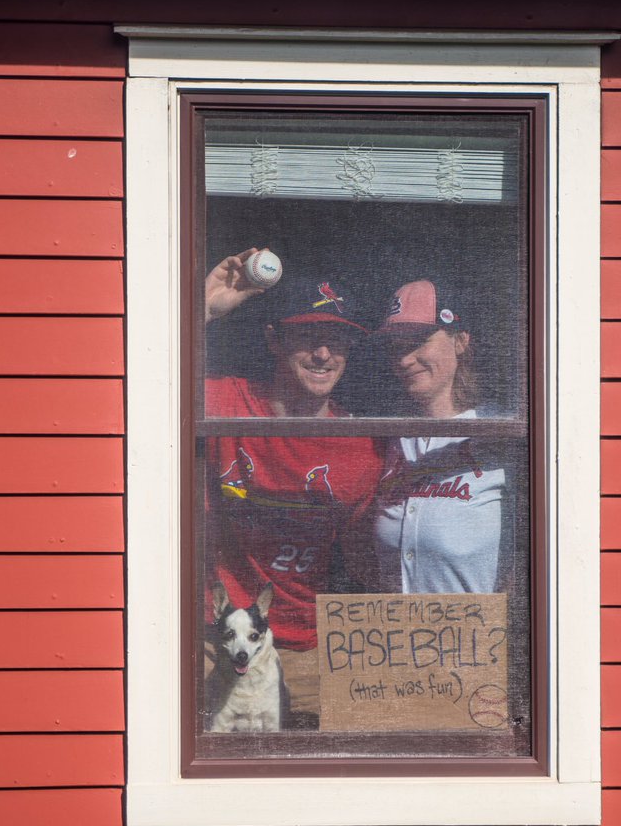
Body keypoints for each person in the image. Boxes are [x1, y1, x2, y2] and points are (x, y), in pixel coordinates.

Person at [203, 247, 383, 727]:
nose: (323, 354)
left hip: (309, 645)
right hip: (218, 639)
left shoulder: (364, 446)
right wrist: (201, 309)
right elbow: (142, 373)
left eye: (336, 341)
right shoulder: (227, 400)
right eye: (308, 337)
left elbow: (374, 560)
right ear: (273, 340)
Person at [373, 278, 511, 594]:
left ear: (460, 341)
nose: (404, 359)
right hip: (391, 638)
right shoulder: (388, 436)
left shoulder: (500, 431)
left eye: (419, 340)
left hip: (477, 639)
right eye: (395, 346)